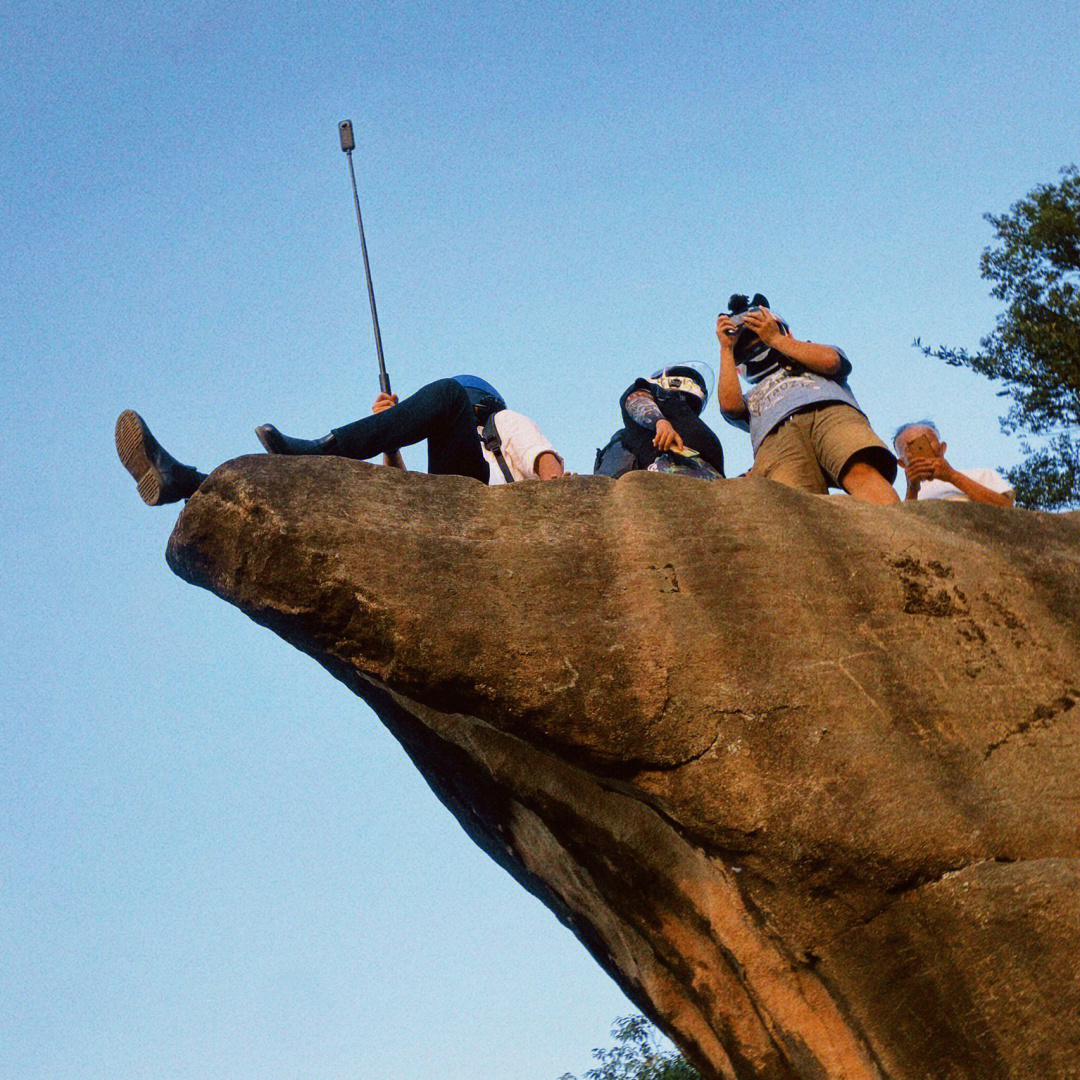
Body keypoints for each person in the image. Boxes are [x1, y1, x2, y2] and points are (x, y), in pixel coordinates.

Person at [116, 375, 565, 506]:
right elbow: (407, 491)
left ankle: (319, 451)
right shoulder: (466, 445)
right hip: (450, 507)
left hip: (488, 510)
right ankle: (189, 482)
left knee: (443, 393)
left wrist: (561, 489)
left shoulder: (500, 423)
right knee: (341, 498)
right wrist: (391, 439)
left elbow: (540, 456)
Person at [715, 292, 899, 504]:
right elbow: (729, 406)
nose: (758, 346)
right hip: (775, 435)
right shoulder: (751, 394)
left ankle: (900, 532)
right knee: (796, 506)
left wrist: (775, 338)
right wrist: (726, 348)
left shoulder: (808, 354)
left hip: (829, 412)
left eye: (760, 339)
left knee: (858, 471)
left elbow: (831, 361)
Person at [593, 363, 725, 480]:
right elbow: (636, 401)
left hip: (711, 486)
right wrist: (660, 422)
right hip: (669, 478)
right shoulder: (658, 395)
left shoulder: (687, 417)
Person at [892, 420, 1015, 506]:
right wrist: (912, 489)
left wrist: (952, 476)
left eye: (927, 441)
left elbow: (1006, 508)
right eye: (909, 448)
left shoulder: (981, 475)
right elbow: (906, 528)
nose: (921, 450)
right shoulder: (912, 496)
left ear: (942, 447)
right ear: (902, 464)